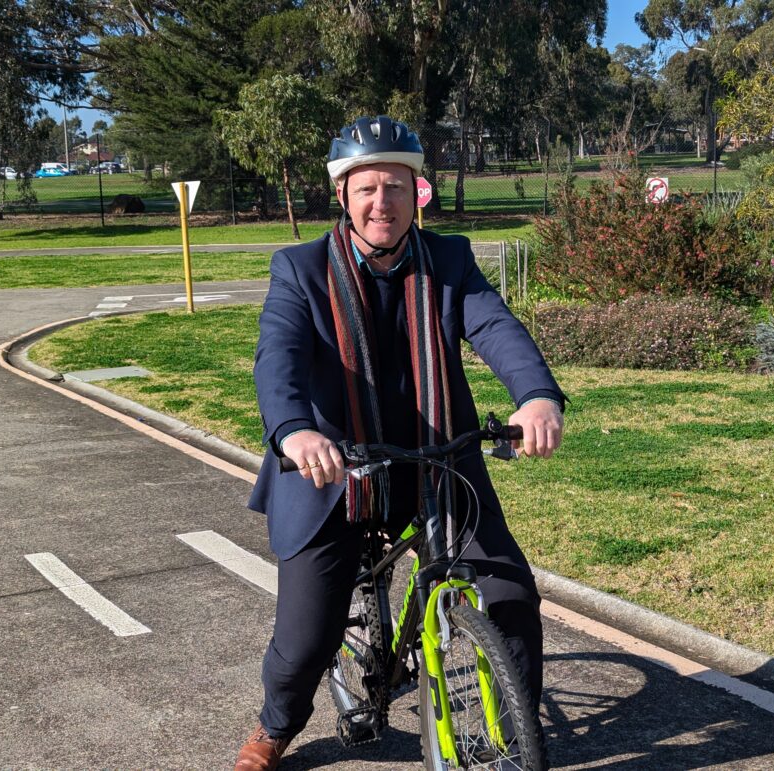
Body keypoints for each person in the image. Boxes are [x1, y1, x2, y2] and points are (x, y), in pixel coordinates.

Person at [236, 115, 566, 771]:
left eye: (395, 187)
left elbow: (497, 328)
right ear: (343, 196)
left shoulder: (449, 261)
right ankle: (274, 728)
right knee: (306, 638)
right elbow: (278, 359)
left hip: (438, 460)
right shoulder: (300, 269)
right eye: (366, 189)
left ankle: (514, 738)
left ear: (417, 192)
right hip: (333, 469)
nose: (381, 202)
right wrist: (295, 429)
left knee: (509, 594)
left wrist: (537, 395)